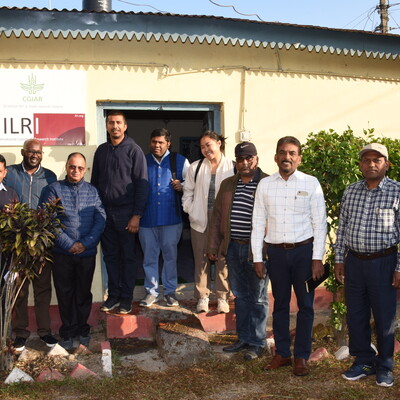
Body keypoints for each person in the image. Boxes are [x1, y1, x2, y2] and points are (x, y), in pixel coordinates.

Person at [251, 136, 327, 376]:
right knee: (280, 305)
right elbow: (258, 222)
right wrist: (257, 258)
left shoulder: (311, 183)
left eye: (292, 153)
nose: (287, 157)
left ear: (299, 158)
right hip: (276, 253)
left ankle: (301, 356)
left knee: (306, 306)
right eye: (283, 152)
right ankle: (282, 353)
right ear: (275, 157)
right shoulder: (265, 185)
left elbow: (320, 223)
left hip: (304, 253)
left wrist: (317, 258)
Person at [334, 143, 400, 388]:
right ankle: (363, 360)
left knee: (384, 317)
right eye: (366, 160)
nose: (371, 164)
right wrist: (339, 259)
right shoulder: (351, 191)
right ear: (360, 164)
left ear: (386, 164)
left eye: (377, 160)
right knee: (356, 314)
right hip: (354, 263)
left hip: (384, 262)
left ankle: (384, 366)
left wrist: (399, 268)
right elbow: (342, 229)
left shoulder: (396, 191)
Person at [207, 142, 269, 360]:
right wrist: (213, 246)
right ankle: (243, 338)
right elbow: (216, 218)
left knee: (259, 297)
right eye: (240, 159)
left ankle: (258, 342)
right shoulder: (227, 184)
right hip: (233, 247)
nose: (244, 163)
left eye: (249, 158)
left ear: (256, 159)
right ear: (235, 162)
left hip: (257, 251)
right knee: (240, 296)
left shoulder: (267, 183)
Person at [41, 153, 106, 350]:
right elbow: (49, 219)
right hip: (62, 254)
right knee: (65, 293)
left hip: (86, 253)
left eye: (79, 168)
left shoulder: (93, 191)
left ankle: (82, 329)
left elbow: (100, 219)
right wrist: (68, 243)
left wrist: (85, 244)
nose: (75, 171)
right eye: (72, 167)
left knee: (83, 293)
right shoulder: (54, 189)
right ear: (66, 166)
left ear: (85, 169)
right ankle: (67, 332)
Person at [91, 111, 148, 315]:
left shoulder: (134, 150)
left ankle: (126, 298)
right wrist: (97, 212)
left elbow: (142, 186)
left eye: (118, 123)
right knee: (110, 256)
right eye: (110, 122)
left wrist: (136, 215)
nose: (114, 126)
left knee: (128, 258)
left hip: (127, 213)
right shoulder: (101, 151)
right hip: (105, 213)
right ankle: (113, 296)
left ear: (125, 126)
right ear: (106, 126)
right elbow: (95, 183)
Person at [5, 139, 57, 351]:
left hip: (41, 242)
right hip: (17, 241)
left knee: (43, 287)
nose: (34, 155)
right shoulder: (9, 173)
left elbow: (54, 207)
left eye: (38, 152)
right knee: (20, 288)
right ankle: (21, 333)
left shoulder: (50, 176)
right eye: (30, 151)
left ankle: (45, 332)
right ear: (23, 152)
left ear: (42, 154)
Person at [182, 130, 234, 314]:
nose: (205, 149)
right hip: (200, 219)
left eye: (208, 145)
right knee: (201, 259)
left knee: (222, 259)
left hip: (223, 221)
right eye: (202, 146)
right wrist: (190, 209)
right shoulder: (195, 167)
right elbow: (187, 191)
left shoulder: (232, 167)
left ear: (219, 143)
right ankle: (202, 297)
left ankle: (222, 297)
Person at [138, 128, 190, 307]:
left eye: (161, 142)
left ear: (168, 143)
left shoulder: (180, 161)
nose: (157, 145)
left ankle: (169, 292)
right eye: (154, 142)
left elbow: (192, 185)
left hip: (172, 219)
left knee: (170, 257)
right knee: (149, 258)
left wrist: (181, 186)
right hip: (147, 220)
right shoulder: (142, 161)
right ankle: (151, 292)